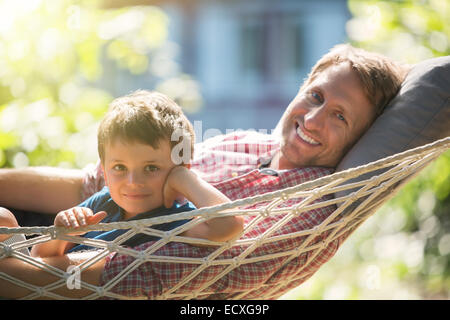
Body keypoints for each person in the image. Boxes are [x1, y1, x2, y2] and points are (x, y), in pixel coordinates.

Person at [0, 44, 408, 299]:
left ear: (361, 137)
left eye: (339, 116)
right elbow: (94, 183)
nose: (314, 118)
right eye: (315, 96)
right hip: (55, 245)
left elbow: (152, 269)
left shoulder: (314, 208)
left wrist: (16, 276)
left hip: (77, 278)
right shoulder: (249, 142)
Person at [1, 90, 244, 258]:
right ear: (104, 172)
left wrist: (183, 179)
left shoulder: (175, 220)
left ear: (179, 170)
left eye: (151, 168)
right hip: (38, 282)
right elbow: (40, 258)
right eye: (119, 168)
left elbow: (229, 225)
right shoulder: (102, 202)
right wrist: (60, 233)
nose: (133, 182)